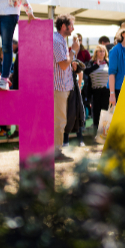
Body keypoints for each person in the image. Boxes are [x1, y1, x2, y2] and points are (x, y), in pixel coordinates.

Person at [53, 14, 79, 159]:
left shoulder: (59, 39)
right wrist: (74, 50)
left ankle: (57, 150)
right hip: (59, 87)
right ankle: (56, 152)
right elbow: (63, 64)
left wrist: (72, 60)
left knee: (60, 120)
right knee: (60, 120)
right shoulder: (56, 40)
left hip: (62, 87)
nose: (73, 28)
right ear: (64, 26)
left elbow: (64, 63)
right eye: (71, 25)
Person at [108, 22, 125, 106]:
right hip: (118, 90)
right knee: (119, 119)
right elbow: (111, 73)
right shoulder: (115, 50)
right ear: (122, 34)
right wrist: (112, 94)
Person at [84, 44, 110, 130]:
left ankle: (104, 133)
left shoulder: (108, 63)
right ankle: (96, 132)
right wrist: (96, 66)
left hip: (106, 91)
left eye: (103, 51)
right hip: (95, 91)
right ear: (96, 53)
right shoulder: (92, 63)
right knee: (96, 112)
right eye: (100, 51)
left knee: (105, 111)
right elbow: (86, 72)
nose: (102, 53)